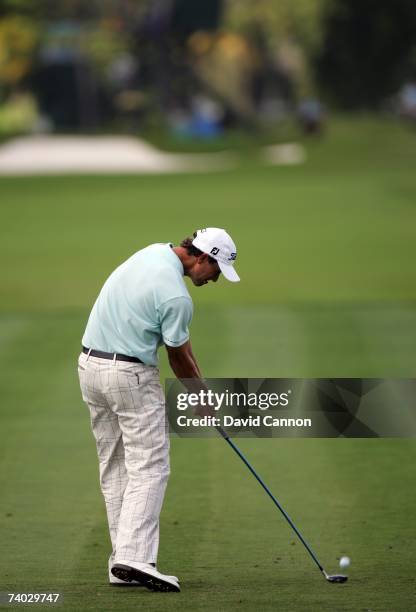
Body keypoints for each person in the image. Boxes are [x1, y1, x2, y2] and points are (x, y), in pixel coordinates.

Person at [77, 227, 239, 593]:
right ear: (203, 258)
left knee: (116, 464)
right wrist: (200, 396)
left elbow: (182, 343)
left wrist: (201, 386)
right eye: (216, 272)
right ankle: (135, 557)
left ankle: (121, 558)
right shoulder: (177, 297)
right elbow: (177, 355)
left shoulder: (151, 253)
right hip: (129, 375)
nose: (214, 280)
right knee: (150, 464)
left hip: (89, 367)